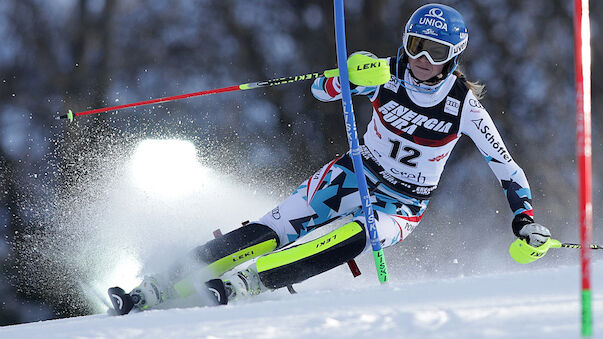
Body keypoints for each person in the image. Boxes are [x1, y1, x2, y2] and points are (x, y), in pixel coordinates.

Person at [111, 3, 552, 314]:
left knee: (357, 237)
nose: (420, 59)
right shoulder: (384, 73)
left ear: (452, 57)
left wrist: (524, 219)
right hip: (353, 172)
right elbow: (319, 92)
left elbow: (508, 169)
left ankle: (249, 283)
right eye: (415, 45)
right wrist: (345, 77)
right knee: (273, 228)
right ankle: (160, 284)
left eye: (434, 52)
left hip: (402, 204)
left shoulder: (464, 107)